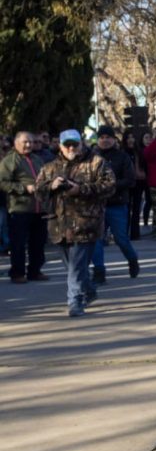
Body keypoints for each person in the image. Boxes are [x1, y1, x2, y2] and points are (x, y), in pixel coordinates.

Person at [35, 130, 115, 317]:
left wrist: (81, 189)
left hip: (86, 224)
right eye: (67, 145)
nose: (71, 148)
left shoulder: (96, 163)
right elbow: (38, 191)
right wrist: (51, 186)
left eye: (75, 144)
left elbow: (110, 186)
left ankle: (75, 301)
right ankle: (89, 290)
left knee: (76, 267)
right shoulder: (50, 167)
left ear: (81, 144)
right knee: (72, 267)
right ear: (60, 146)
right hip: (59, 225)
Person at [92, 126, 141, 281]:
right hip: (96, 205)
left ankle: (132, 259)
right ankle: (99, 271)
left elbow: (130, 180)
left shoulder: (123, 157)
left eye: (108, 137)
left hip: (117, 204)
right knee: (96, 239)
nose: (105, 140)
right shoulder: (91, 157)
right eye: (102, 137)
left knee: (121, 239)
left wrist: (110, 185)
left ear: (114, 139)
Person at [0, 131, 49, 283]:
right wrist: (23, 188)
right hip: (20, 208)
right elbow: (3, 183)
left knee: (38, 242)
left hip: (39, 208)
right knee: (18, 243)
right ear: (16, 143)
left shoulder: (37, 159)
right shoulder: (10, 160)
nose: (29, 145)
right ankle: (17, 273)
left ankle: (35, 271)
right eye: (25, 142)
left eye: (31, 142)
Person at [124, 130, 148, 240]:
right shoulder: (123, 153)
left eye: (132, 137)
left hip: (139, 182)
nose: (131, 140)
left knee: (136, 208)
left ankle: (135, 233)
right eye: (128, 137)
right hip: (127, 184)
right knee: (126, 209)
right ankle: (124, 232)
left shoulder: (138, 152)